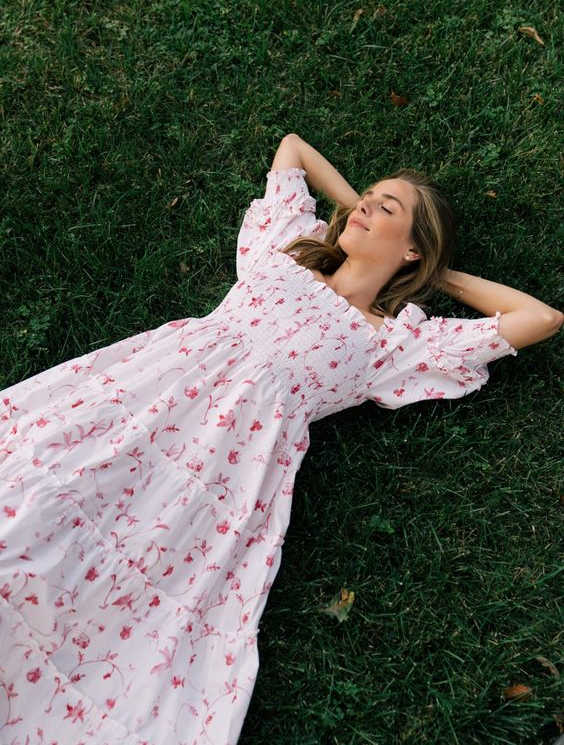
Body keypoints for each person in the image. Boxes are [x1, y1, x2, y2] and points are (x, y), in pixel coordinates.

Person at [0, 134, 561, 744]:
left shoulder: (390, 343)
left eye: (386, 209)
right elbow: (293, 149)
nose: (365, 207)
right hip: (147, 392)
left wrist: (435, 272)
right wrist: (358, 213)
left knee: (121, 574)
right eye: (367, 197)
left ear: (412, 249)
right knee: (41, 494)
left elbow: (541, 318)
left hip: (223, 463)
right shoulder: (287, 249)